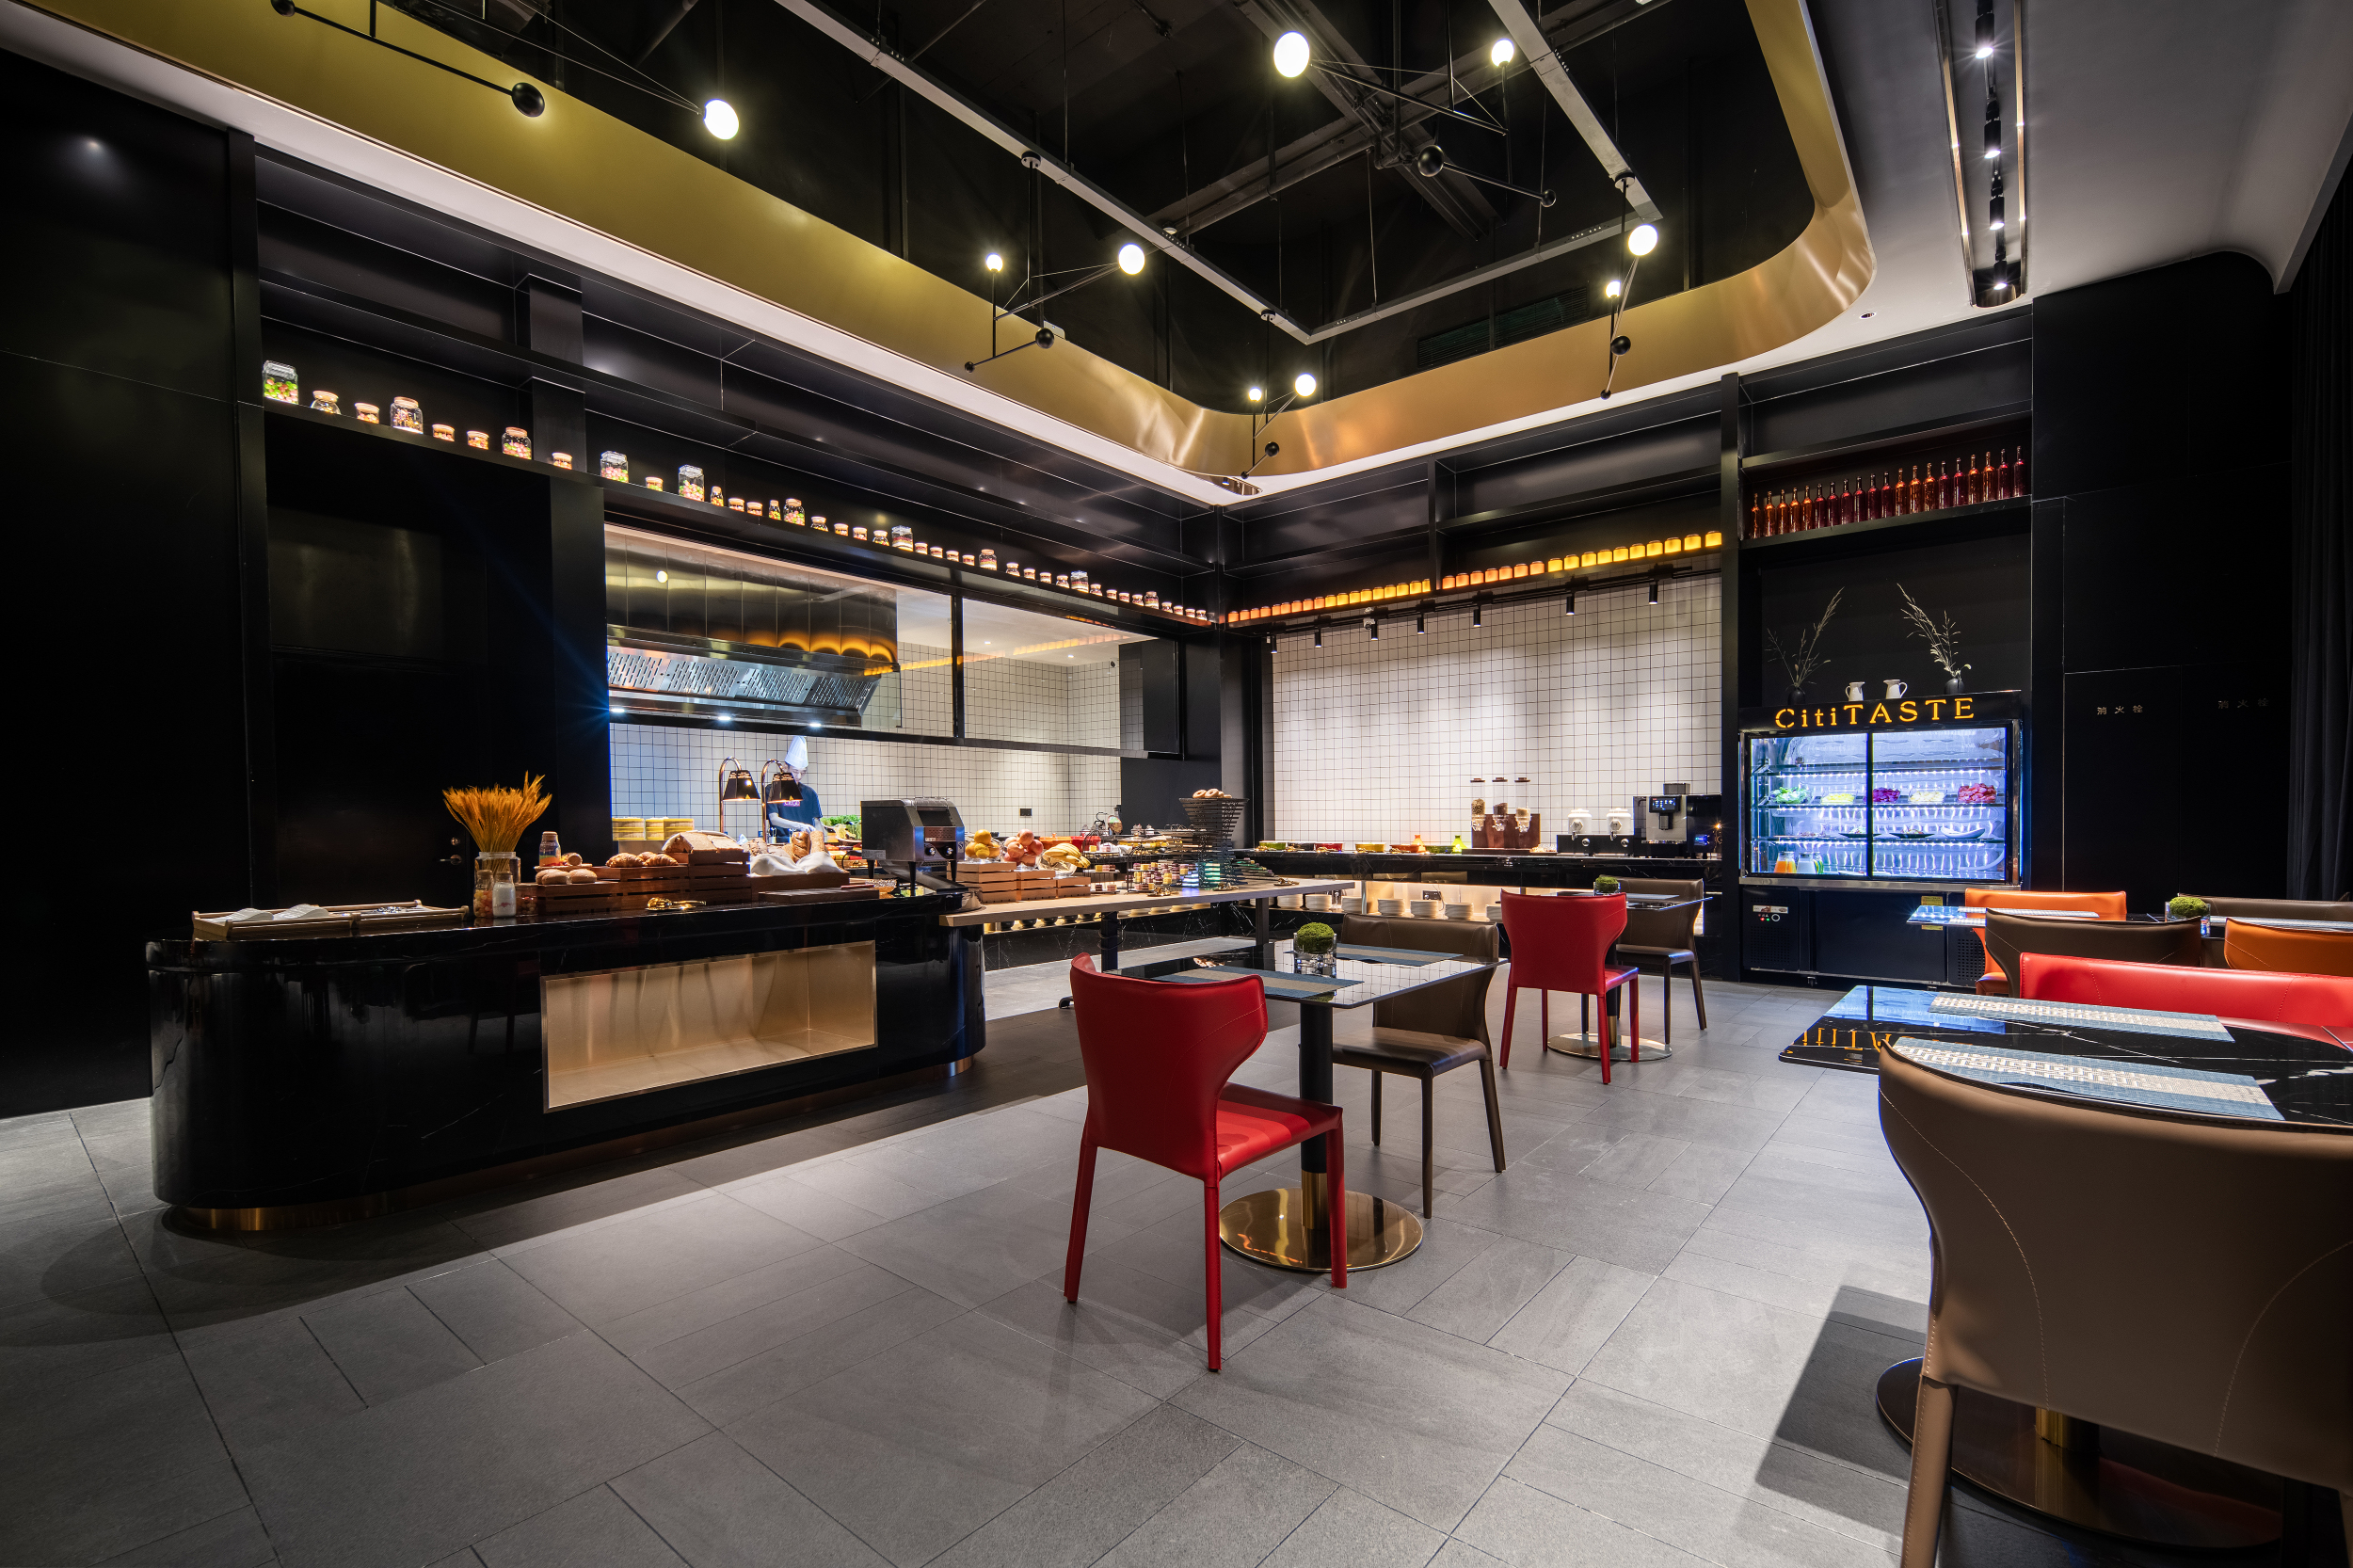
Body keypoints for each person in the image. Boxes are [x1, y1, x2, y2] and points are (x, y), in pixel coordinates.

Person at [762, 737, 824, 840]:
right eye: (795, 772)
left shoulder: (810, 793)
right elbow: (774, 819)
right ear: (785, 767)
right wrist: (800, 826)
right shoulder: (772, 789)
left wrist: (820, 841)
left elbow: (817, 822)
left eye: (803, 772)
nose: (799, 776)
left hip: (806, 841)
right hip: (781, 841)